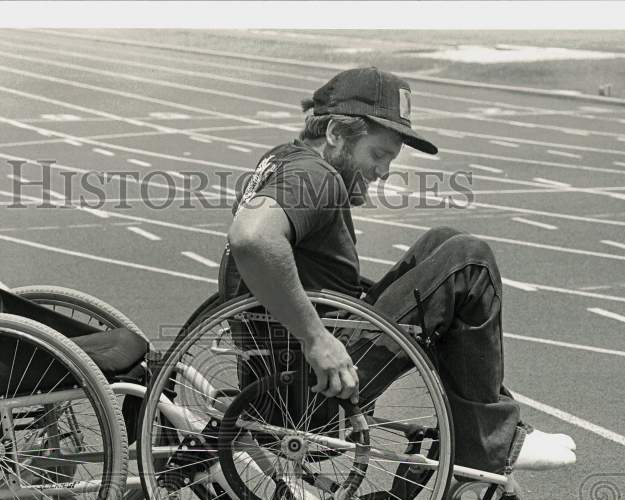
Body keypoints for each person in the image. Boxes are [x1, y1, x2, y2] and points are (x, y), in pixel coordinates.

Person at [219, 66, 575, 474]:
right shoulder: (315, 176)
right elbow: (252, 238)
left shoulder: (283, 159)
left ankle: (489, 431)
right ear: (335, 133)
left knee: (440, 243)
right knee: (468, 262)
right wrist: (316, 340)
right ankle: (490, 443)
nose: (384, 171)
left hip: (280, 377)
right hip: (313, 391)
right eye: (378, 154)